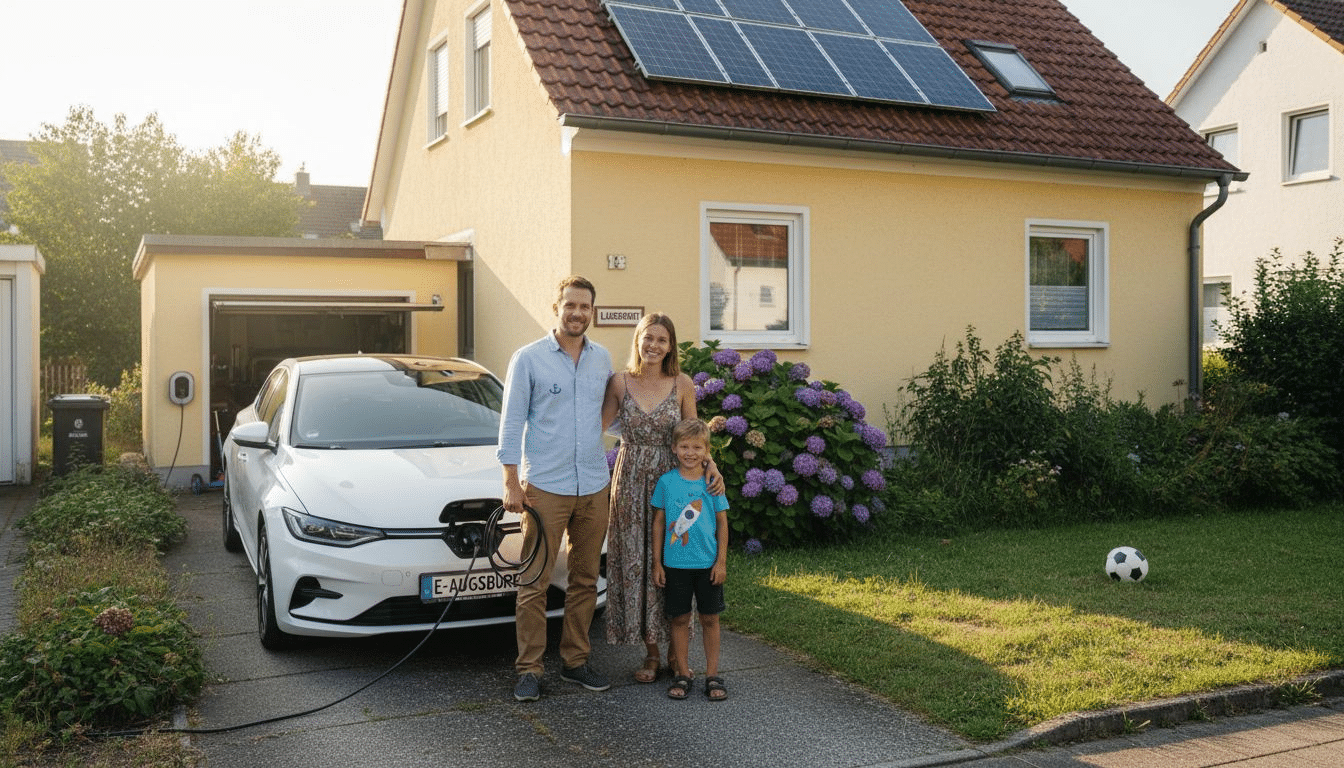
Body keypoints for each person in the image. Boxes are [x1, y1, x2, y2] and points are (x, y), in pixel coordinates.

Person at [497, 275, 613, 703]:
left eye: (585, 306)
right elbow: (510, 422)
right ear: (556, 308)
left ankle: (576, 662)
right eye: (570, 306)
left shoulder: (602, 358)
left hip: (594, 484)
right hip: (545, 485)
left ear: (592, 311)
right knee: (534, 580)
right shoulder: (528, 359)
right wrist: (510, 479)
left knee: (585, 578)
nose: (577, 313)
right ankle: (529, 668)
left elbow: (611, 415)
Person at [601, 313, 721, 684]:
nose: (653, 345)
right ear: (637, 340)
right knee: (638, 562)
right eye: (647, 338)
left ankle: (676, 650)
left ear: (670, 346)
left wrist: (711, 467)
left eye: (662, 340)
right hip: (632, 482)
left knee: (673, 562)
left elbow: (695, 434)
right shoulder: (619, 382)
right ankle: (651, 653)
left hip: (675, 482)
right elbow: (595, 429)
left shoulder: (682, 383)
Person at [652, 417, 730, 701]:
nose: (690, 453)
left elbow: (722, 524)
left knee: (710, 618)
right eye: (684, 446)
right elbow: (659, 523)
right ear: (674, 448)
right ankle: (682, 672)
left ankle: (712, 674)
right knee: (679, 619)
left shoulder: (712, 483)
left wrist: (720, 562)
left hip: (707, 565)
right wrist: (657, 563)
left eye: (697, 447)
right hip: (675, 565)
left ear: (706, 451)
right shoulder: (666, 482)